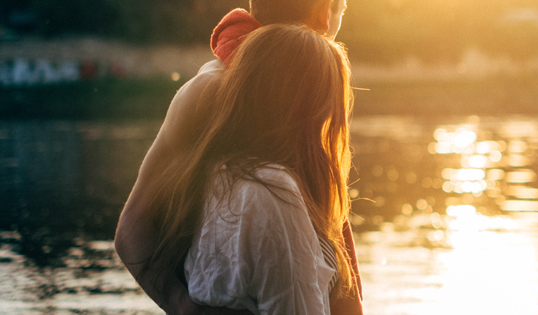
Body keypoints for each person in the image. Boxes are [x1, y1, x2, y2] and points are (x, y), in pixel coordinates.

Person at [114, 0, 363, 314]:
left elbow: (331, 238)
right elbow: (133, 229)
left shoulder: (300, 90)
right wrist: (186, 308)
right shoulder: (213, 92)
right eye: (340, 9)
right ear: (324, 14)